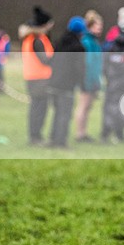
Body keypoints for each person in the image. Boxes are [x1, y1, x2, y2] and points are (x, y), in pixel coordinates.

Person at [47, 17, 86, 148]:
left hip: (53, 82)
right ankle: (61, 142)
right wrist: (82, 84)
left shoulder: (59, 42)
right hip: (67, 85)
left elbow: (51, 60)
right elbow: (80, 68)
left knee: (57, 113)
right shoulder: (78, 47)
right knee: (65, 114)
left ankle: (53, 139)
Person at [19, 6, 55, 145]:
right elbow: (45, 59)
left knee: (37, 108)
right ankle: (35, 137)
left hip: (34, 77)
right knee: (39, 109)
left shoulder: (31, 38)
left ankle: (35, 136)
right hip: (39, 78)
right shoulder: (37, 40)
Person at [75, 10, 104, 142]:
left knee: (88, 107)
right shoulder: (87, 42)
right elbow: (88, 63)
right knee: (83, 105)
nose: (100, 28)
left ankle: (84, 132)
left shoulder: (95, 42)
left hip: (94, 79)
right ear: (90, 26)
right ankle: (79, 133)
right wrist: (89, 80)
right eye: (97, 25)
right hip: (87, 79)